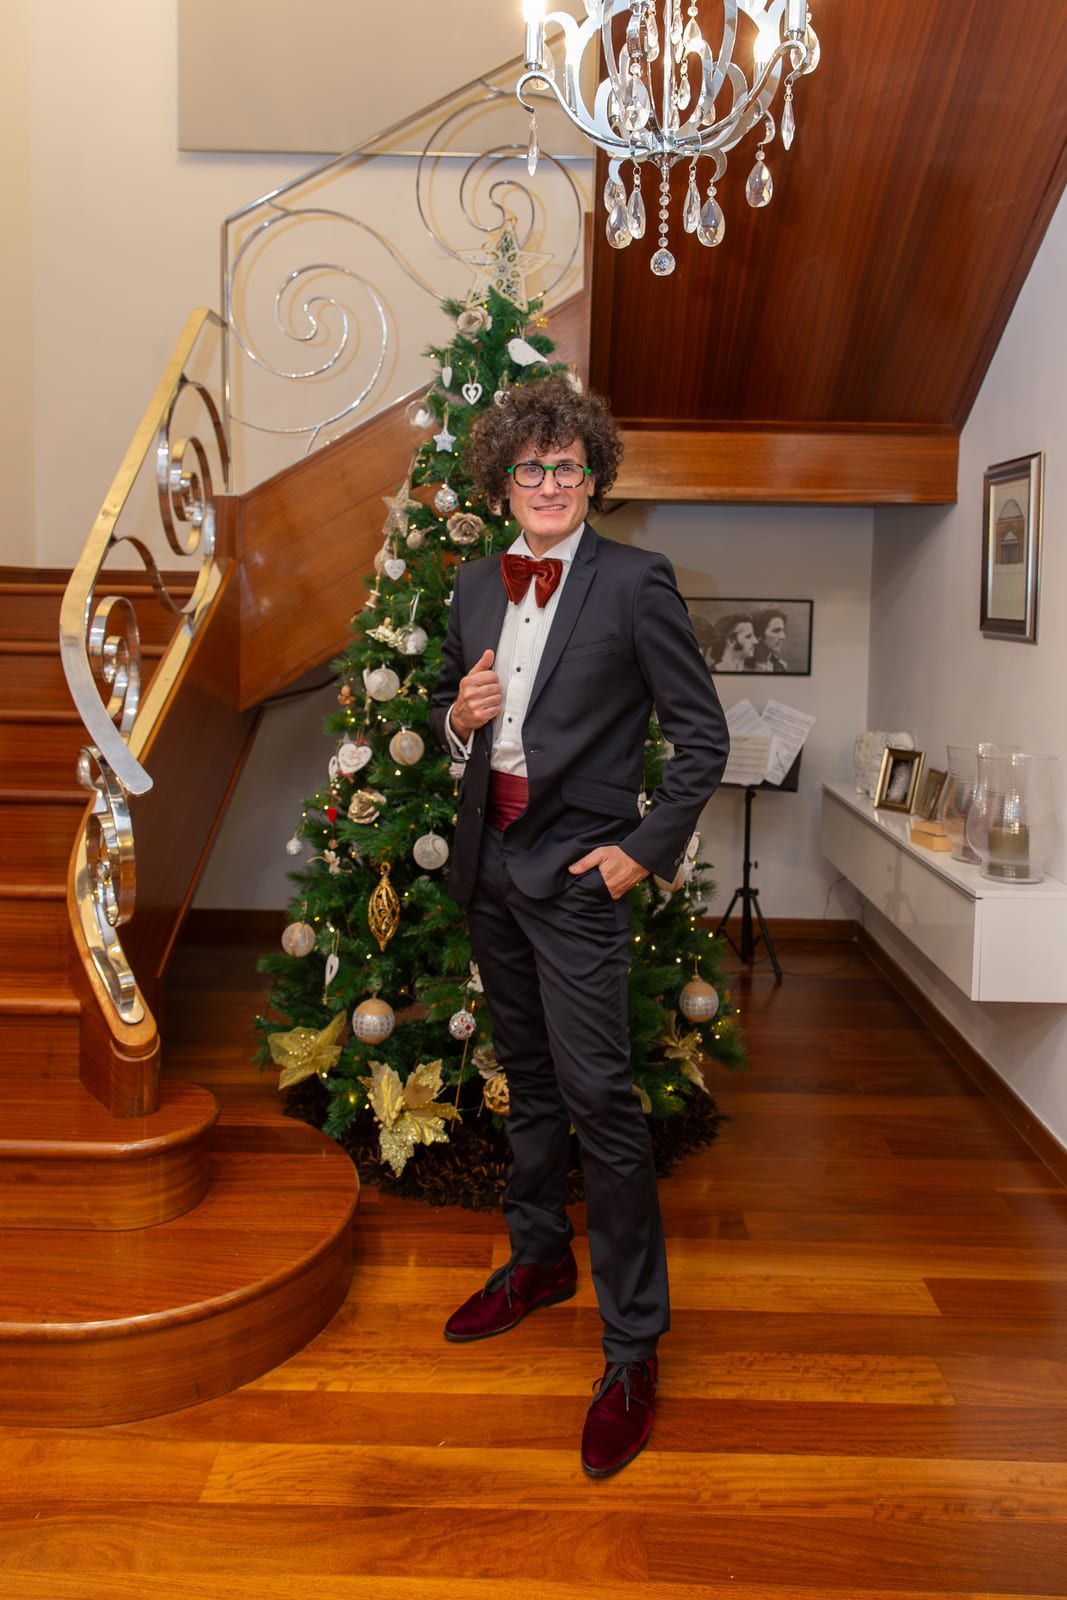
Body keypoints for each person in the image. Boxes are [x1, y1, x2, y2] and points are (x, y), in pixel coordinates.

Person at [429, 375, 728, 1477]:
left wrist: (637, 854)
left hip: (577, 878)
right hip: (489, 869)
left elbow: (700, 741)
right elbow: (453, 712)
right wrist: (453, 720)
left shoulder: (637, 583)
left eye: (564, 466)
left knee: (602, 1101)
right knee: (526, 1075)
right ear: (503, 482)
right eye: (528, 467)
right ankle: (539, 1259)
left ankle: (633, 1345)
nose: (547, 483)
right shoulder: (468, 585)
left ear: (592, 479)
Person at [751, 607, 788, 672]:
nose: (783, 637)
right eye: (776, 631)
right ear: (760, 634)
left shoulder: (780, 666)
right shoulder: (742, 665)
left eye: (783, 631)